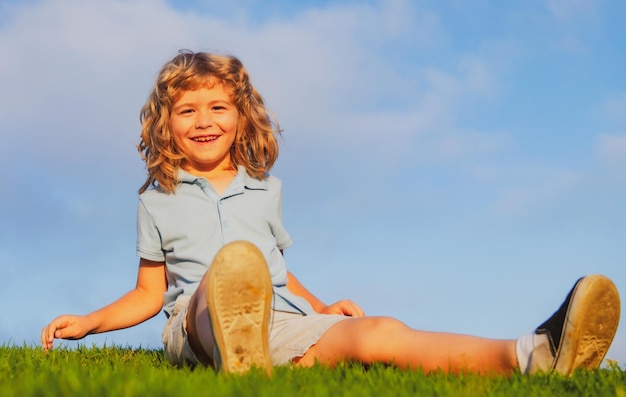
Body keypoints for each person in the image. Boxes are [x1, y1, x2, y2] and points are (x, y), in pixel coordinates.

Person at [41, 50, 621, 376]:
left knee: (379, 333)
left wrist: (322, 308)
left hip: (281, 316)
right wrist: (90, 322)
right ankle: (236, 354)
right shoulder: (156, 198)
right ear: (164, 124)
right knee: (217, 285)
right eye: (187, 110)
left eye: (217, 106)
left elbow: (273, 271)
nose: (203, 120)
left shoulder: (263, 192)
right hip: (194, 326)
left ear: (242, 118)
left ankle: (530, 355)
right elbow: (149, 292)